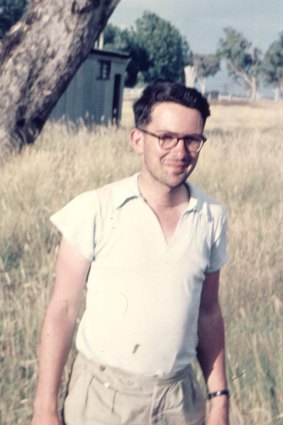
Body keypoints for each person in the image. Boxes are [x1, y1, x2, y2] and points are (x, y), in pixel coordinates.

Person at [32, 81, 230, 425]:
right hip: (103, 399)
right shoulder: (95, 209)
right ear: (138, 140)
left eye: (192, 140)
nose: (180, 152)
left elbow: (208, 312)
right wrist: (45, 408)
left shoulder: (211, 216)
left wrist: (219, 400)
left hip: (178, 400)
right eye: (165, 137)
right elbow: (62, 310)